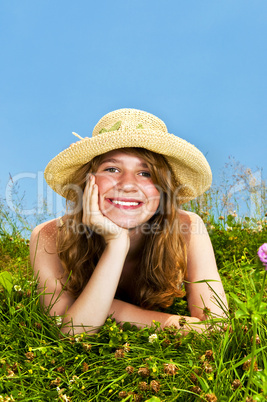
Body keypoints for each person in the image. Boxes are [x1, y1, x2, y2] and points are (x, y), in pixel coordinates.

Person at [30, 108, 228, 335]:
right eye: (112, 169)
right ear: (87, 182)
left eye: (145, 173)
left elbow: (217, 326)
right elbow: (71, 332)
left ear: (163, 188)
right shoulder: (50, 237)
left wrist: (113, 310)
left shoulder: (188, 228)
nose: (127, 184)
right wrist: (117, 243)